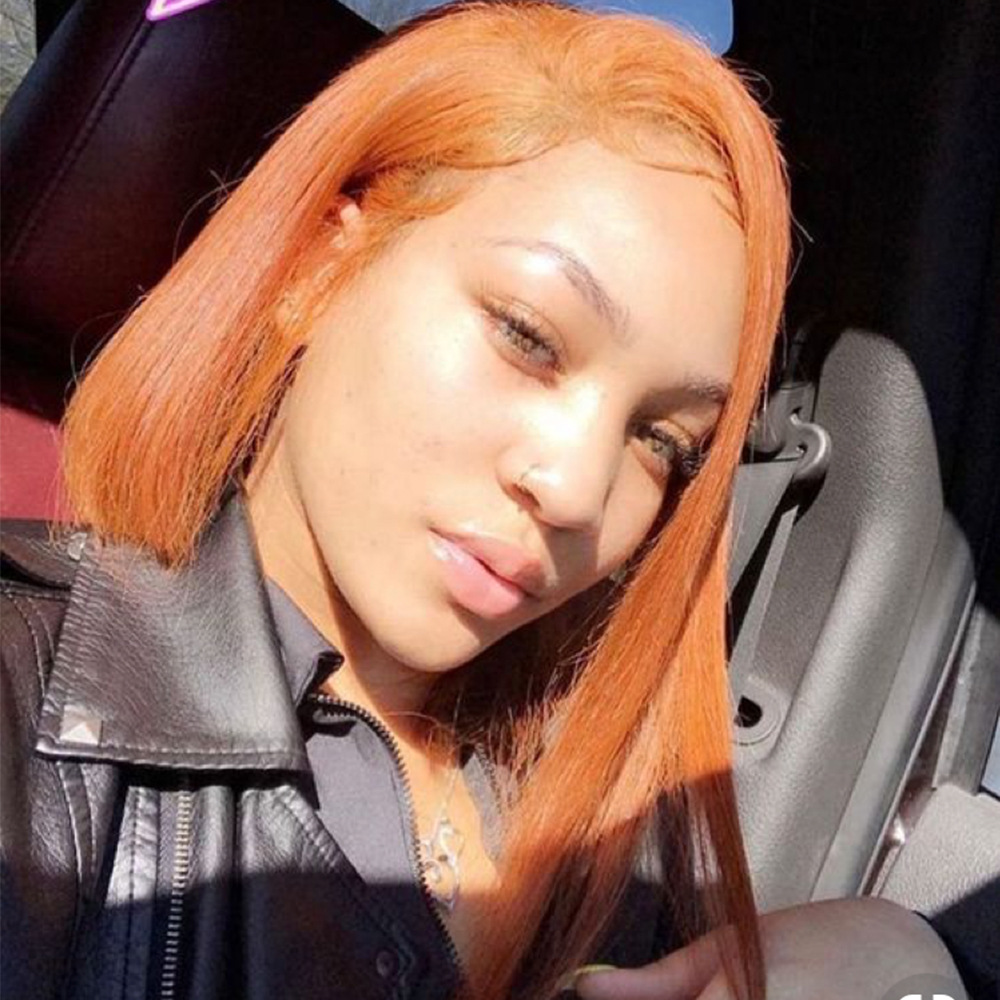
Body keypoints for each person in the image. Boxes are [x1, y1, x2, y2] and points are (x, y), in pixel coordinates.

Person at [0, 3, 966, 999]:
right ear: (318, 266)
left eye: (660, 440)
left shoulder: (614, 825)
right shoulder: (34, 720)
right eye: (525, 335)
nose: (577, 490)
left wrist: (910, 959)